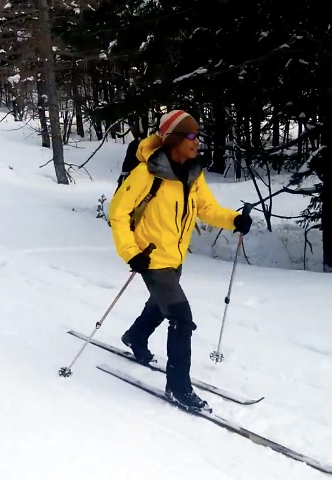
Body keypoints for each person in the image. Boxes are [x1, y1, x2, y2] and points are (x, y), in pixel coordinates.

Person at [108, 109, 252, 412]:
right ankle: (178, 387)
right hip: (150, 258)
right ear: (173, 139)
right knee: (181, 318)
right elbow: (118, 213)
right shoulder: (146, 173)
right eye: (190, 135)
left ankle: (135, 336)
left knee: (161, 306)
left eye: (197, 135)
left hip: (175, 256)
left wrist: (234, 220)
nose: (196, 141)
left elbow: (207, 209)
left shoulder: (191, 174)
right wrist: (130, 252)